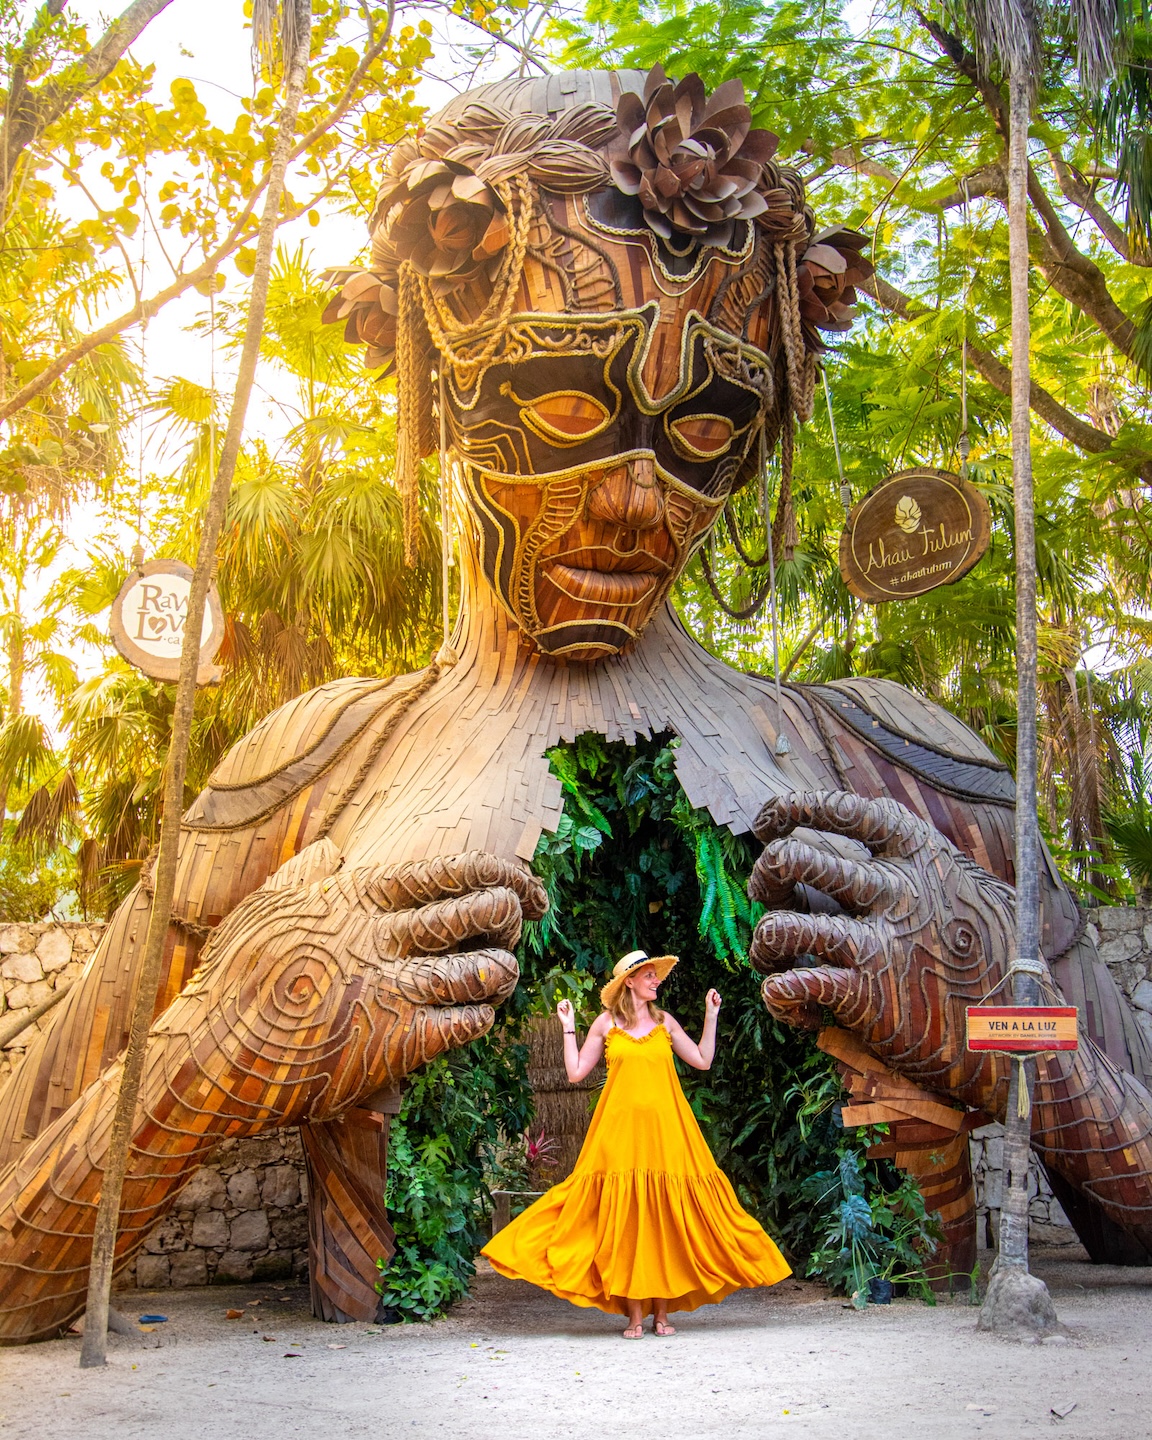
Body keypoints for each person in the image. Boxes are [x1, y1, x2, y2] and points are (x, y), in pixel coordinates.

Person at [482, 950, 791, 1337]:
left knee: (665, 1218)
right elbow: (576, 1073)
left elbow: (702, 1060)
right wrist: (568, 1027)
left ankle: (662, 1314)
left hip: (668, 1132)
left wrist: (711, 1017)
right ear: (629, 981)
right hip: (619, 1134)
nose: (655, 980)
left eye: (655, 975)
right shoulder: (606, 1024)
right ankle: (634, 1317)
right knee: (628, 1220)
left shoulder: (665, 1022)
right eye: (648, 975)